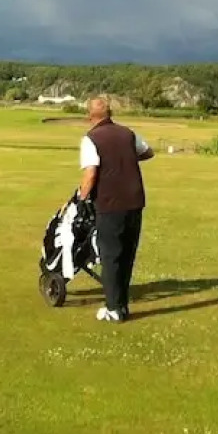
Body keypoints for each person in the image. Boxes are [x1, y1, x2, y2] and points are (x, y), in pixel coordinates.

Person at [77, 96, 154, 322]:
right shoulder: (128, 133)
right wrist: (125, 158)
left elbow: (90, 174)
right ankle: (122, 306)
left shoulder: (91, 138)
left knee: (111, 256)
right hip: (135, 202)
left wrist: (82, 199)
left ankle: (113, 308)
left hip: (110, 205)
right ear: (110, 114)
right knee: (127, 255)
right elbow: (148, 152)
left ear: (90, 116)